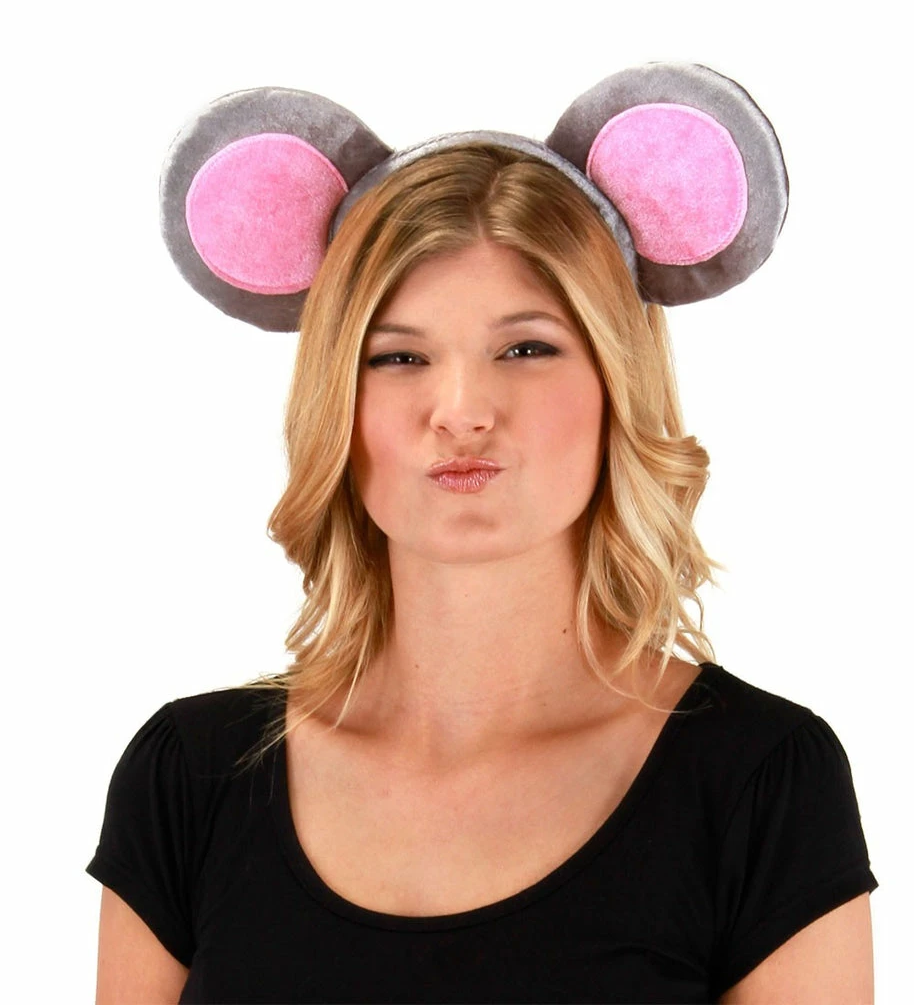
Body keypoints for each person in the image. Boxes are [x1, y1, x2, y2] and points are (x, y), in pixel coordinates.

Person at [88, 73, 877, 1003]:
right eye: (399, 357)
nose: (461, 411)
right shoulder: (189, 776)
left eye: (526, 348)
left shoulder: (762, 780)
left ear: (616, 383)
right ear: (336, 401)